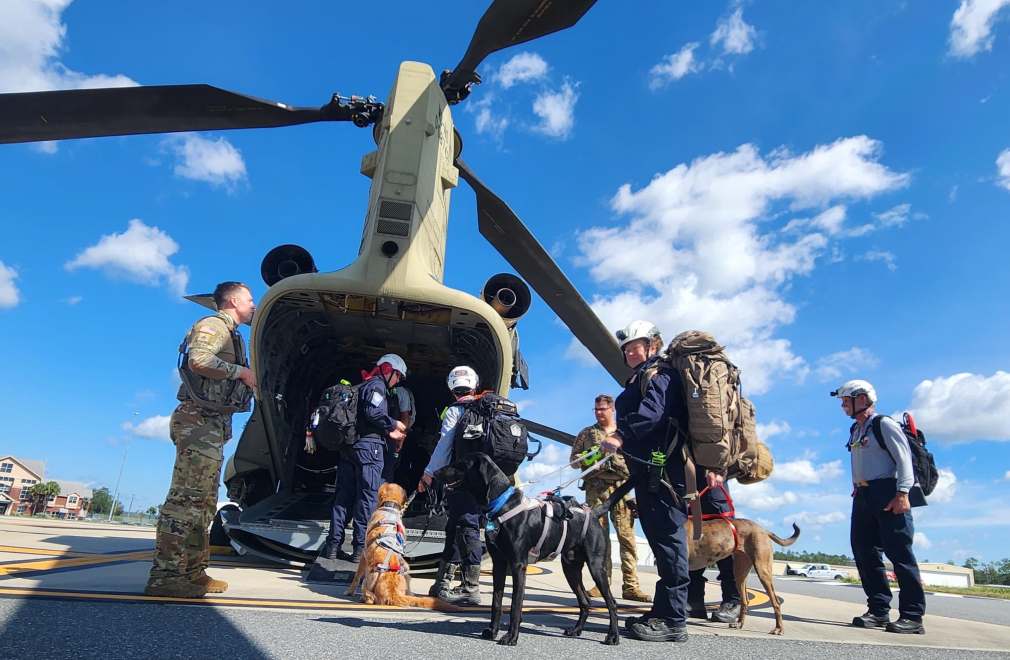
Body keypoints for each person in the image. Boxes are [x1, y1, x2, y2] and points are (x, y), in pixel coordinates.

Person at [146, 281, 257, 597]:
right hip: (197, 424)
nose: (253, 305)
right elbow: (199, 359)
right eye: (249, 299)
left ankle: (193, 572)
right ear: (233, 300)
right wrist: (241, 373)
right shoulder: (213, 324)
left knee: (204, 504)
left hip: (212, 426)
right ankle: (164, 577)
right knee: (185, 502)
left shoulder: (234, 335)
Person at [601, 320, 692, 643]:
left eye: (634, 345)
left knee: (669, 542)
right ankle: (663, 611)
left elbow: (653, 415)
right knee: (660, 542)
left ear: (653, 345)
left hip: (664, 473)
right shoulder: (642, 377)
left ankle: (674, 620)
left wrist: (621, 435)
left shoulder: (660, 375)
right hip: (649, 473)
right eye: (625, 347)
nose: (628, 351)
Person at [832, 379, 926, 634]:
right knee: (864, 552)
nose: (842, 405)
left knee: (900, 555)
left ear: (862, 399)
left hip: (889, 492)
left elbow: (904, 460)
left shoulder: (883, 424)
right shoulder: (856, 430)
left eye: (845, 400)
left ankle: (913, 616)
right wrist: (857, 488)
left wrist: (903, 493)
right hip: (863, 495)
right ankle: (878, 610)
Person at [320, 354, 407, 563]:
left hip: (349, 448)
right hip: (369, 449)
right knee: (367, 498)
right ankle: (360, 549)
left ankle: (333, 546)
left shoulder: (361, 387)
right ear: (388, 370)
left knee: (342, 497)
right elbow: (373, 413)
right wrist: (392, 426)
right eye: (398, 376)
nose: (397, 381)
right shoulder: (376, 387)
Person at [571, 394, 651, 603]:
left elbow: (637, 460)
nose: (599, 413)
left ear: (612, 409)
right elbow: (573, 462)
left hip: (621, 489)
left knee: (627, 538)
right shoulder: (587, 434)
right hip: (595, 490)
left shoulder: (623, 434)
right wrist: (591, 456)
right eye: (596, 410)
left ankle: (631, 586)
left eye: (603, 409)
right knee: (599, 539)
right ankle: (601, 583)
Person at [418, 365, 484, 606]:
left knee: (466, 528)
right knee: (455, 527)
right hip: (483, 482)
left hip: (461, 479)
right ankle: (442, 582)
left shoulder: (456, 411)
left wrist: (428, 474)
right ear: (474, 384)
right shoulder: (486, 410)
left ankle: (470, 587)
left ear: (451, 387)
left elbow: (444, 446)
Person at [686, 466, 741, 622]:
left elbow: (740, 451)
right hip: (688, 482)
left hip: (714, 484)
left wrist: (721, 471)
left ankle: (733, 601)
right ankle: (693, 601)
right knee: (692, 544)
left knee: (724, 545)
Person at [383, 384, 416, 482]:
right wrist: (401, 439)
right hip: (393, 435)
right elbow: (405, 417)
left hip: (383, 434)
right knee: (388, 470)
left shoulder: (380, 387)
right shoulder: (402, 392)